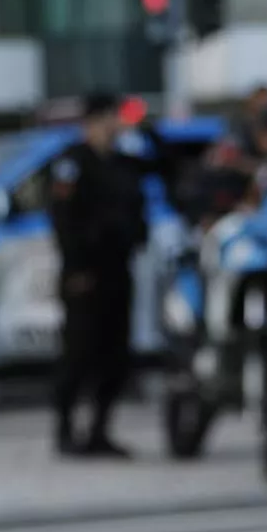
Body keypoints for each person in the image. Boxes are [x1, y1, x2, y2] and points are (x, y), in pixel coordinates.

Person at [47, 92, 160, 459]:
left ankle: (99, 430)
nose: (114, 125)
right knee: (79, 353)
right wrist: (76, 267)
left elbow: (163, 169)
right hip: (85, 273)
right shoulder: (72, 163)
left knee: (115, 355)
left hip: (118, 269)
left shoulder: (126, 163)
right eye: (108, 118)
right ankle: (65, 430)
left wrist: (148, 131)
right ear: (92, 121)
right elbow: (62, 220)